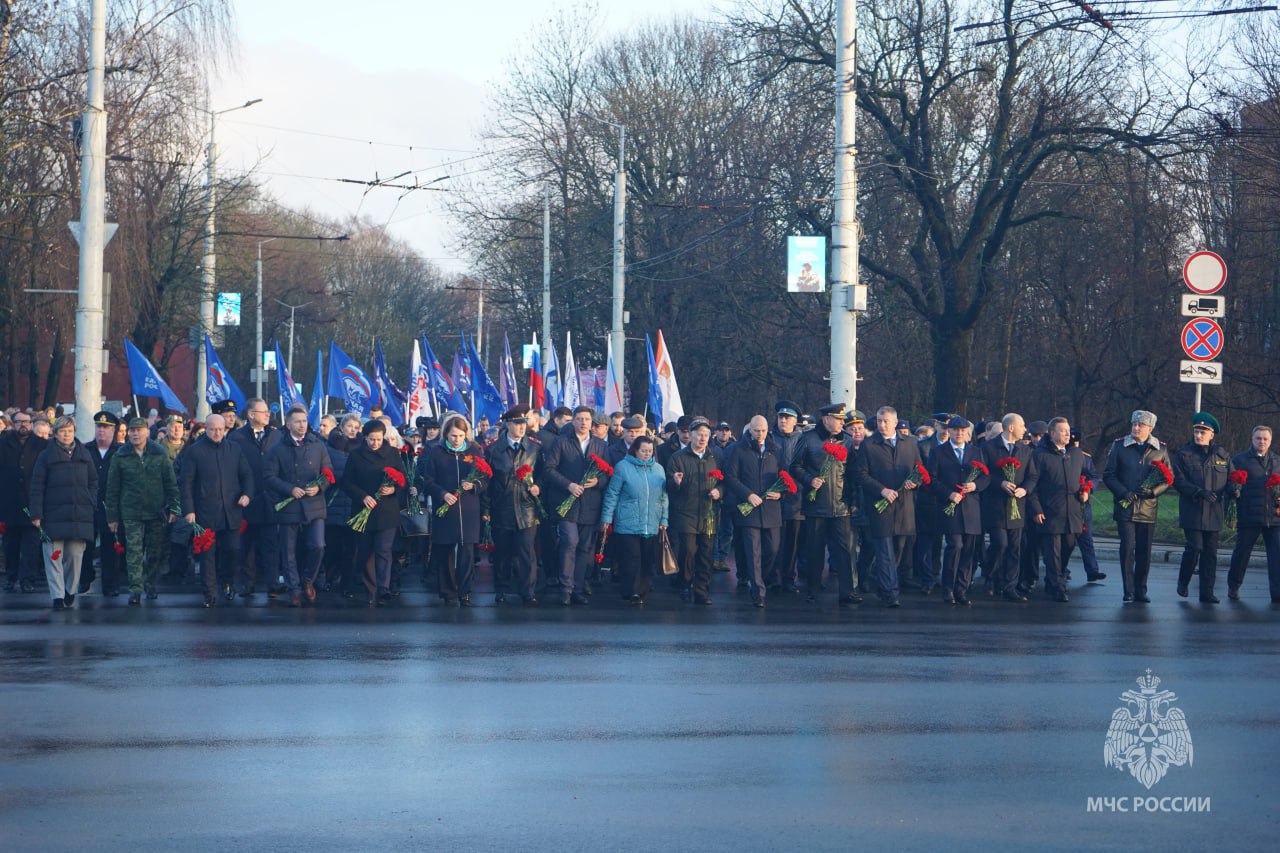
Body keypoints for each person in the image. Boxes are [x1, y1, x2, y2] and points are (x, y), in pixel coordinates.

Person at [539, 406, 611, 605]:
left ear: (592, 422)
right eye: (579, 419)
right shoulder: (561, 442)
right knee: (569, 542)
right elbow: (549, 469)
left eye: (587, 419)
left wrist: (598, 482)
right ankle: (566, 588)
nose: (583, 422)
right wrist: (568, 485)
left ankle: (578, 588)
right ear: (573, 421)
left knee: (584, 548)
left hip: (590, 504)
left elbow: (607, 473)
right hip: (565, 503)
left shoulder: (600, 445)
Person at [852, 406, 923, 607]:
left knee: (899, 547)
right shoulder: (869, 445)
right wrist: (881, 490)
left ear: (895, 421)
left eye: (886, 421)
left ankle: (882, 582)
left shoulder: (909, 443)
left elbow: (919, 470)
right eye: (879, 421)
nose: (881, 425)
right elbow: (861, 474)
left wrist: (915, 482)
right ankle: (891, 593)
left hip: (904, 505)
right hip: (879, 505)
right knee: (884, 549)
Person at [107, 417, 181, 606]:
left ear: (147, 432)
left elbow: (171, 483)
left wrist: (174, 507)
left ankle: (150, 583)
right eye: (132, 431)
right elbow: (112, 489)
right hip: (131, 512)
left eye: (139, 430)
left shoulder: (159, 453)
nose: (135, 434)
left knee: (155, 552)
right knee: (134, 551)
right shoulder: (120, 456)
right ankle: (135, 589)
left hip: (156, 512)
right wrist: (112, 517)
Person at [264, 406, 332, 607]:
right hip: (290, 504)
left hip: (314, 504)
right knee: (288, 550)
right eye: (297, 421)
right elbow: (269, 476)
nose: (302, 425)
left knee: (318, 545)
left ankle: (308, 580)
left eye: (304, 421)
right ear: (288, 424)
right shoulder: (278, 449)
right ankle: (294, 588)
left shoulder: (318, 446)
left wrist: (319, 487)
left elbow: (328, 473)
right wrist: (289, 489)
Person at [1102, 410, 1172, 603]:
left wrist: (1152, 492)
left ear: (1150, 428)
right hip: (1125, 507)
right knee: (1127, 548)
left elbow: (1168, 479)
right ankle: (1128, 589)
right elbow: (1108, 474)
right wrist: (1123, 492)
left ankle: (1141, 590)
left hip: (1148, 509)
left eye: (1140, 425)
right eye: (1134, 424)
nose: (1136, 427)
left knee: (1144, 550)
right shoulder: (1119, 446)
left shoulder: (1161, 449)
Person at [419, 414, 488, 606]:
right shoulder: (436, 452)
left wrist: (473, 486)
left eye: (460, 435)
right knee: (445, 550)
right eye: (452, 436)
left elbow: (485, 478)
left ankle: (465, 590)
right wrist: (441, 494)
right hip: (446, 507)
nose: (456, 439)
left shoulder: (474, 450)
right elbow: (428, 481)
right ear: (446, 435)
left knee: (467, 551)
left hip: (468, 509)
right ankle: (448, 591)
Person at [29, 416, 98, 609]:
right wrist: (36, 513)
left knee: (75, 556)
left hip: (79, 515)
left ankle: (70, 589)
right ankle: (57, 596)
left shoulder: (84, 454)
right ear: (56, 433)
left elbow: (93, 482)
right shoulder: (46, 456)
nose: (66, 434)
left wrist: (90, 500)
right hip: (52, 515)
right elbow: (36, 486)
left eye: (69, 430)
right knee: (53, 556)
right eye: (62, 430)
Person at [792, 404, 857, 605]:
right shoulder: (808, 438)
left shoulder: (846, 441)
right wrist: (809, 479)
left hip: (840, 505)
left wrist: (852, 501)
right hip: (816, 505)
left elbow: (853, 474)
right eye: (838, 419)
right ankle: (813, 588)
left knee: (845, 551)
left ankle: (848, 592)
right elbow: (795, 466)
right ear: (826, 419)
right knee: (815, 549)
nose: (842, 423)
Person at [1022, 417, 1087, 602]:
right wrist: (1036, 509)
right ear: (1052, 434)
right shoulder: (1040, 455)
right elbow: (1032, 484)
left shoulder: (1076, 453)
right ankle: (1057, 586)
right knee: (1053, 552)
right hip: (1049, 510)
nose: (1068, 433)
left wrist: (1086, 490)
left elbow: (1087, 476)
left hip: (1072, 511)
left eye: (1068, 430)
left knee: (1068, 545)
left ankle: (1054, 579)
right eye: (1062, 430)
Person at [926, 416, 989, 606]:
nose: (959, 433)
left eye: (962, 430)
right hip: (950, 507)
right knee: (955, 546)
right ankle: (948, 588)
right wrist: (949, 494)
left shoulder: (975, 451)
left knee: (969, 550)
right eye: (955, 430)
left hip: (971, 508)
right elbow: (932, 479)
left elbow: (987, 478)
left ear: (967, 433)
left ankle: (961, 589)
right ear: (949, 432)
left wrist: (975, 485)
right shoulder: (938, 452)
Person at [341, 419, 404, 605]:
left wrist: (393, 490)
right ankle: (371, 589)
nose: (375, 443)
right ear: (365, 437)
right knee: (366, 551)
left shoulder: (392, 453)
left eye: (378, 439)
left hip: (387, 510)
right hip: (364, 510)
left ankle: (383, 588)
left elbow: (402, 480)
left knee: (384, 549)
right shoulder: (355, 455)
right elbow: (346, 482)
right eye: (371, 439)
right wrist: (362, 496)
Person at [483, 405, 543, 605]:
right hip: (502, 507)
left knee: (527, 553)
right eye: (517, 424)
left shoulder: (535, 448)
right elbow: (487, 482)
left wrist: (539, 487)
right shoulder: (493, 450)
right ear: (508, 424)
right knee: (502, 553)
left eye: (523, 423)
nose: (521, 427)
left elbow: (543, 475)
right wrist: (486, 509)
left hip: (526, 508)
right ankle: (501, 588)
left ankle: (528, 591)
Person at [600, 435, 669, 605]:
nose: (647, 454)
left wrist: (664, 519)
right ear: (635, 451)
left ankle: (643, 590)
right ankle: (631, 591)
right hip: (627, 521)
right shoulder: (623, 467)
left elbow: (663, 497)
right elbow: (612, 493)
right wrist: (607, 517)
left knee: (647, 558)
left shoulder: (659, 469)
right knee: (632, 557)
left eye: (650, 451)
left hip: (651, 521)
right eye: (643, 450)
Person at [1170, 412, 1231, 603]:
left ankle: (1207, 592)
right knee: (1194, 547)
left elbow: (1232, 477)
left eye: (1203, 432)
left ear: (1212, 435)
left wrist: (1235, 489)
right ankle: (1183, 581)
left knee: (1210, 553)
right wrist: (1198, 491)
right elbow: (1177, 480)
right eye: (1197, 431)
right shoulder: (1183, 454)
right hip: (1193, 510)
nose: (1199, 435)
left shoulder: (1222, 455)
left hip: (1214, 512)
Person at [724, 415, 782, 607]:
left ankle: (760, 579)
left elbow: (785, 475)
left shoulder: (775, 450)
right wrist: (747, 495)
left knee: (772, 550)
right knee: (753, 552)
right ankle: (758, 591)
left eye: (763, 430)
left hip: (771, 509)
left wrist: (781, 494)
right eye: (756, 430)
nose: (760, 434)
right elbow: (731, 478)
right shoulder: (737, 450)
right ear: (750, 430)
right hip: (748, 510)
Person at [229, 398, 282, 599]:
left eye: (268, 411)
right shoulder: (236, 438)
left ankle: (273, 583)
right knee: (245, 545)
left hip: (271, 498)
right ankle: (247, 583)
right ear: (251, 415)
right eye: (263, 411)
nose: (268, 414)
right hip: (245, 499)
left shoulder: (277, 436)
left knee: (271, 544)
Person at [667, 417, 723, 605]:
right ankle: (685, 584)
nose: (702, 438)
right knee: (688, 551)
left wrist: (719, 491)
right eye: (699, 434)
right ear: (690, 436)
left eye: (706, 435)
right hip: (686, 513)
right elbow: (667, 485)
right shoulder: (678, 458)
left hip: (708, 514)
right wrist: (675, 482)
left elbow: (725, 481)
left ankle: (702, 590)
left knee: (706, 554)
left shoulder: (716, 457)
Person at [980, 413, 1034, 602]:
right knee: (1000, 544)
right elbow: (983, 474)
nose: (1025, 429)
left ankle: (1010, 586)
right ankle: (991, 576)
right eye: (1022, 425)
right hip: (995, 506)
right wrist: (1000, 483)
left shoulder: (1024, 449)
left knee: (1014, 547)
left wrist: (1025, 490)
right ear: (1011, 427)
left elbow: (1032, 475)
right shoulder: (988, 447)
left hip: (1016, 506)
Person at [1225, 425, 1280, 602]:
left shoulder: (1277, 461)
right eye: (1258, 438)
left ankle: (1277, 593)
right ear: (1252, 439)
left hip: (1273, 518)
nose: (1262, 441)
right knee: (1241, 554)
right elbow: (1229, 485)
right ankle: (1233, 586)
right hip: (1249, 516)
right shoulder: (1240, 460)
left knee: (1277, 558)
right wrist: (1234, 490)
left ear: (1270, 441)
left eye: (1265, 439)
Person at [0, 409, 48, 593]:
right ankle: (11, 576)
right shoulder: (3, 443)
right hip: (9, 502)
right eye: (19, 422)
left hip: (32, 502)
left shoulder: (41, 445)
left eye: (26, 422)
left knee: (31, 545)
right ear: (13, 424)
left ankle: (28, 579)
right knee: (10, 544)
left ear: (32, 424)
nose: (23, 425)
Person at [79, 411, 124, 595]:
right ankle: (85, 577)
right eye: (99, 427)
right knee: (85, 546)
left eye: (105, 428)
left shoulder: (121, 451)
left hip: (110, 504)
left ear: (114, 430)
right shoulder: (85, 450)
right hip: (88, 504)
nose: (101, 431)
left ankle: (110, 585)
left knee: (109, 547)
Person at [769, 400, 805, 593]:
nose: (783, 420)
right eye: (781, 417)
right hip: (773, 497)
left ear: (795, 420)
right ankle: (773, 576)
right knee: (774, 543)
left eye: (787, 417)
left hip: (796, 498)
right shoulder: (769, 438)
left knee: (792, 542)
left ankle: (789, 577)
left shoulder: (802, 439)